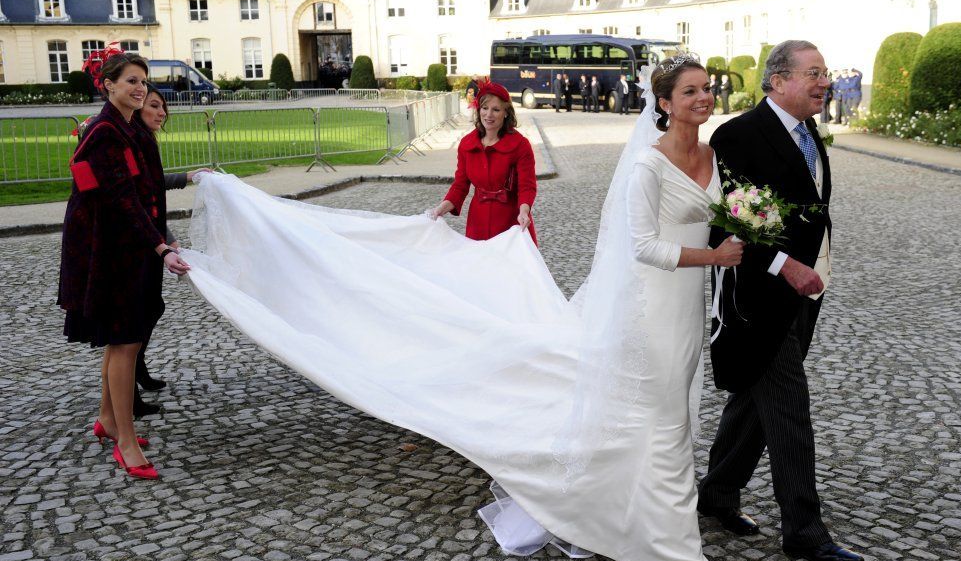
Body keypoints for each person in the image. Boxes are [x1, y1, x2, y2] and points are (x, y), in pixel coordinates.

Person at [179, 57, 743, 561]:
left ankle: (646, 496)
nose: (702, 97)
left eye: (705, 89)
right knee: (631, 388)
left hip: (521, 240)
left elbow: (530, 187)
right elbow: (463, 187)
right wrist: (437, 213)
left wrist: (524, 213)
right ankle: (665, 530)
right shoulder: (629, 162)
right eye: (690, 90)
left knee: (671, 400)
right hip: (486, 237)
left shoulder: (693, 155)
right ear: (664, 103)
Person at [700, 40, 864, 561]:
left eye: (825, 72)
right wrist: (786, 266)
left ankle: (717, 493)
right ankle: (804, 532)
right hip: (758, 299)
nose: (824, 82)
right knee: (791, 411)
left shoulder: (809, 129)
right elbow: (728, 224)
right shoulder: (737, 136)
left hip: (804, 294)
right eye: (813, 73)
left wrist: (813, 268)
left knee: (753, 398)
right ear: (777, 80)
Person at [58, 50, 190, 480]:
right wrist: (161, 246)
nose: (139, 88)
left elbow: (147, 190)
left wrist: (160, 238)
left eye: (143, 81)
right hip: (114, 250)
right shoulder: (105, 133)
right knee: (126, 341)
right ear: (108, 85)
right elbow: (121, 200)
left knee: (124, 340)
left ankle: (109, 419)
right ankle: (126, 444)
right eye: (130, 81)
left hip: (131, 245)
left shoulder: (130, 127)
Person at [130, 86, 211, 416]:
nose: (162, 112)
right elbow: (136, 197)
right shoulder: (133, 139)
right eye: (154, 106)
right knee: (138, 317)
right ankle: (129, 392)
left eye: (163, 107)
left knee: (150, 309)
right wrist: (165, 240)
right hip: (139, 242)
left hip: (149, 238)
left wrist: (189, 176)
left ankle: (138, 371)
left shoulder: (143, 138)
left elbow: (150, 184)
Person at [430, 81, 537, 244]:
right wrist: (439, 210)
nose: (489, 115)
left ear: (506, 112)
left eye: (496, 109)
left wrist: (524, 211)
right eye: (485, 108)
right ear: (478, 110)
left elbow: (526, 186)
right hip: (477, 222)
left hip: (510, 222)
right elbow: (460, 185)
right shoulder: (467, 145)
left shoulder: (520, 146)